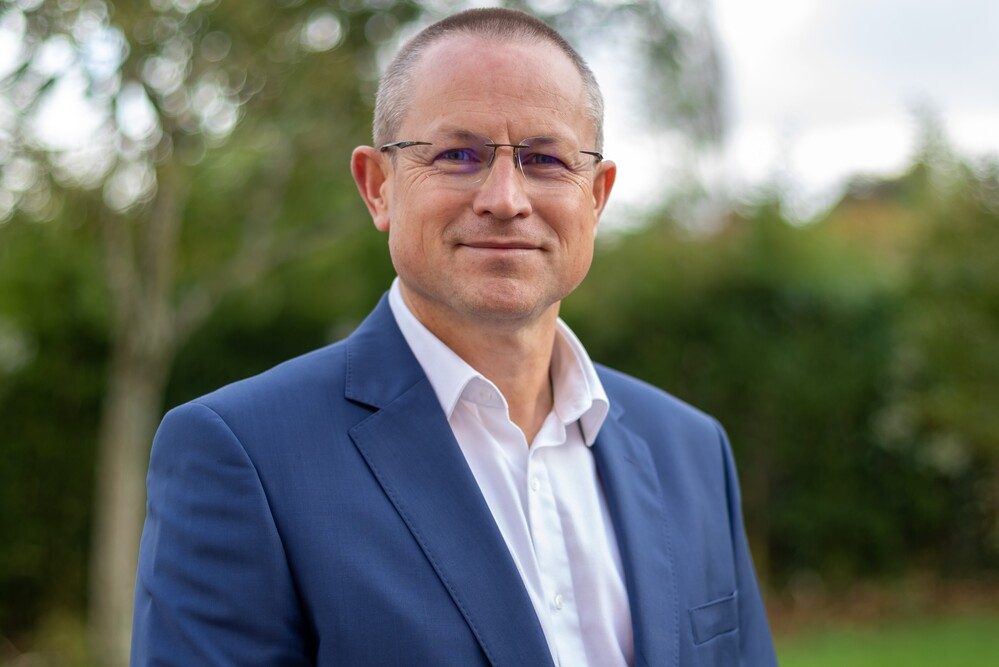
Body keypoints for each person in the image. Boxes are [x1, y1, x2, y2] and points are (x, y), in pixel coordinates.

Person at [131, 8, 776, 666]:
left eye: (544, 159)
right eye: (458, 155)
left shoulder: (690, 450)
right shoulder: (243, 456)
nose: (504, 197)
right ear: (377, 187)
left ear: (597, 196)